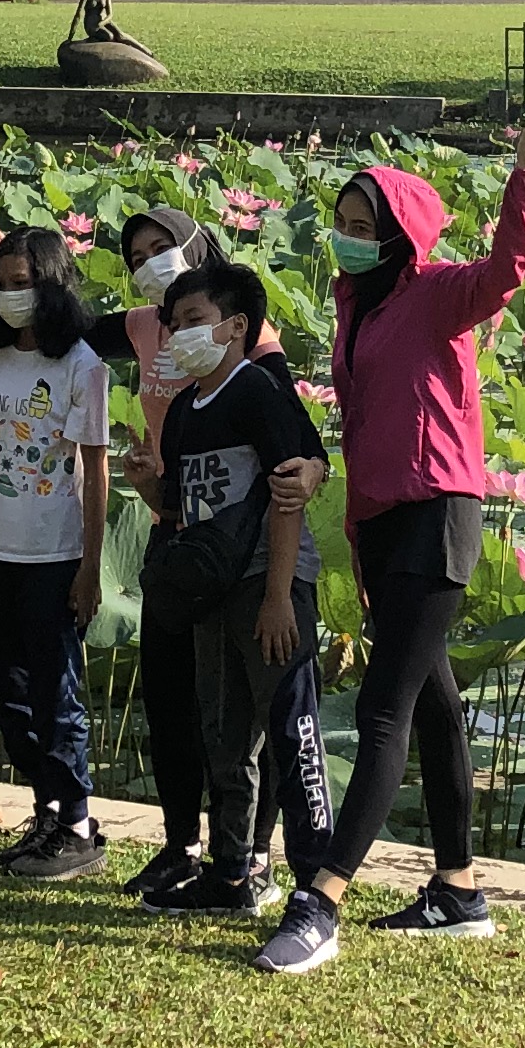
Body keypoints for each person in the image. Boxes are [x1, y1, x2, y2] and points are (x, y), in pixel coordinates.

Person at [257, 89, 525, 978]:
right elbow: (360, 421)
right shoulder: (355, 305)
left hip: (441, 512)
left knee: (385, 708)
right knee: (434, 708)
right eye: (344, 218)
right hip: (386, 522)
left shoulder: (438, 295)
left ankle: (322, 900)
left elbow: (510, 266)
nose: (351, 232)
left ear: (401, 227)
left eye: (367, 220)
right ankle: (459, 891)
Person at [90, 204, 284, 905]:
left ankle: (252, 857)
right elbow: (71, 331)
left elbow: (281, 438)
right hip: (175, 524)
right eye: (137, 253)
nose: (150, 261)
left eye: (161, 246)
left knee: (240, 712)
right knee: (171, 699)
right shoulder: (150, 327)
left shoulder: (249, 337)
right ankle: (182, 847)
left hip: (238, 540)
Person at [146, 260, 333, 918]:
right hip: (211, 591)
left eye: (192, 322)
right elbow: (177, 512)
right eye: (171, 326)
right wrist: (147, 482)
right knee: (223, 738)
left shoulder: (257, 391)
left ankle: (314, 885)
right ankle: (230, 878)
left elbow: (289, 494)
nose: (177, 337)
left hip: (266, 585)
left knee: (292, 731)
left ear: (235, 327)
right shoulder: (182, 414)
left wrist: (281, 596)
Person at [0, 225, 114, 880]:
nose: (10, 295)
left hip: (55, 553)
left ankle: (77, 824)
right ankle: (50, 809)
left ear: (51, 286)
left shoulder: (81, 365)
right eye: (1, 284)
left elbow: (97, 468)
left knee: (59, 693)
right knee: (9, 692)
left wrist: (90, 566)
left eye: (22, 284)